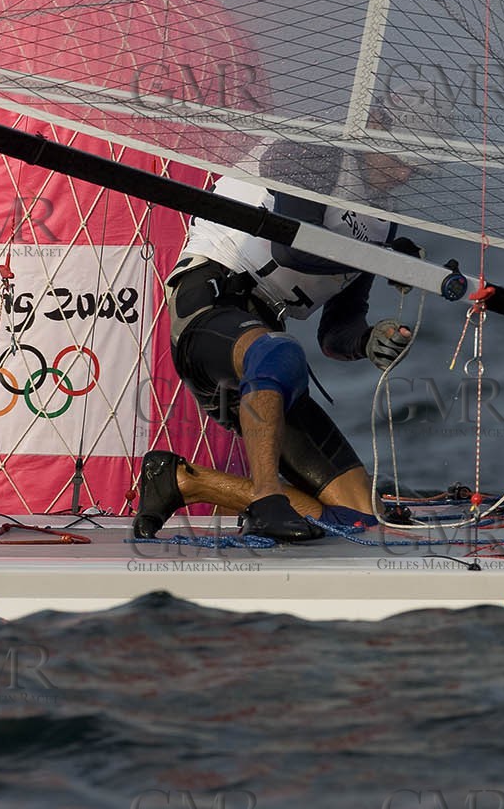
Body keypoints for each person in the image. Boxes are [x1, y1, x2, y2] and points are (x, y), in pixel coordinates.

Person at [135, 130, 419, 542]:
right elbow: (292, 250)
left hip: (262, 361)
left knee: (359, 516)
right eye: (398, 154)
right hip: (209, 307)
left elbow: (336, 332)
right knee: (280, 351)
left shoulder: (381, 226)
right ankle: (268, 500)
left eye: (418, 165)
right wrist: (385, 260)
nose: (406, 170)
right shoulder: (310, 153)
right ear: (373, 129)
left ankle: (181, 481)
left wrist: (368, 338)